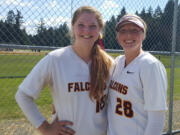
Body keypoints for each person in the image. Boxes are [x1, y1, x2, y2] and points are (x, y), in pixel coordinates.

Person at [15, 6, 113, 135]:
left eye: (93, 26)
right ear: (72, 27)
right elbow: (23, 95)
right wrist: (45, 127)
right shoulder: (55, 59)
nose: (86, 30)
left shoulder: (109, 63)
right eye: (81, 25)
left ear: (100, 29)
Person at [107, 14, 168, 135]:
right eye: (123, 31)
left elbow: (157, 118)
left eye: (135, 30)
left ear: (143, 35)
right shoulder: (118, 62)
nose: (128, 35)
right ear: (117, 36)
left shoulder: (150, 65)